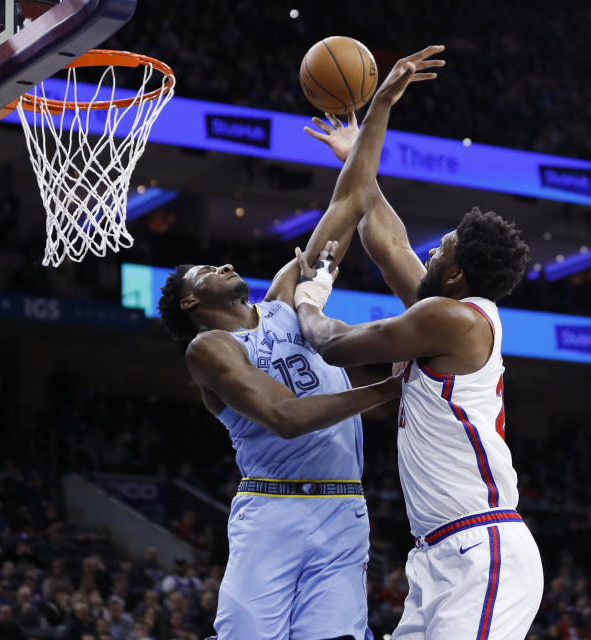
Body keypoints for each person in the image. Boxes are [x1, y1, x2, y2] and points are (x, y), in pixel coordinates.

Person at [156, 45, 445, 640]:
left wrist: (378, 112)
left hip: (344, 509)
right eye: (207, 270)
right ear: (192, 302)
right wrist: (390, 389)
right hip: (272, 510)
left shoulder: (286, 295)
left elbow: (349, 201)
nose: (226, 264)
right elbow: (285, 416)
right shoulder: (208, 350)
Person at [293, 48, 542, 639]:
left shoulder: (456, 321)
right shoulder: (447, 313)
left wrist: (308, 296)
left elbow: (336, 344)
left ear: (456, 277)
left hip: (483, 554)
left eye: (444, 250)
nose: (431, 252)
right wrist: (360, 154)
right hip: (437, 555)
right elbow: (389, 246)